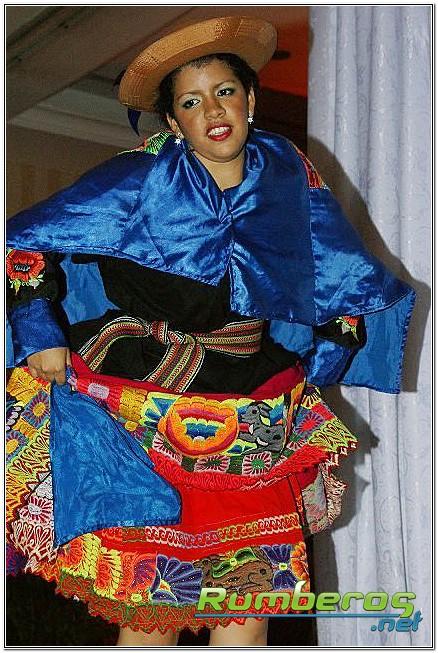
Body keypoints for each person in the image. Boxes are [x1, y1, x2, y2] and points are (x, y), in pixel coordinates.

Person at [6, 16, 415, 647]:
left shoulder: (292, 180)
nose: (213, 111)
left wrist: (319, 365)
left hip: (252, 414)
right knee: (152, 620)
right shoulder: (136, 176)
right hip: (139, 406)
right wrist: (41, 332)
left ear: (250, 98)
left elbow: (345, 285)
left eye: (224, 92)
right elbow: (24, 244)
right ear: (174, 123)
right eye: (191, 102)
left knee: (245, 618)